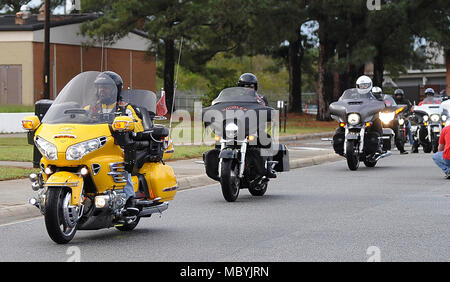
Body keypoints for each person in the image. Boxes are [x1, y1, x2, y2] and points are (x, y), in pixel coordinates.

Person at [90, 71, 144, 216]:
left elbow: (138, 127)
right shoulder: (91, 108)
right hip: (97, 146)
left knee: (121, 168)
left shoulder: (126, 108)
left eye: (106, 87)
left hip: (119, 147)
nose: (102, 90)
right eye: (100, 87)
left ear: (115, 89)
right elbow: (77, 122)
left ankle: (130, 199)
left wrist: (128, 124)